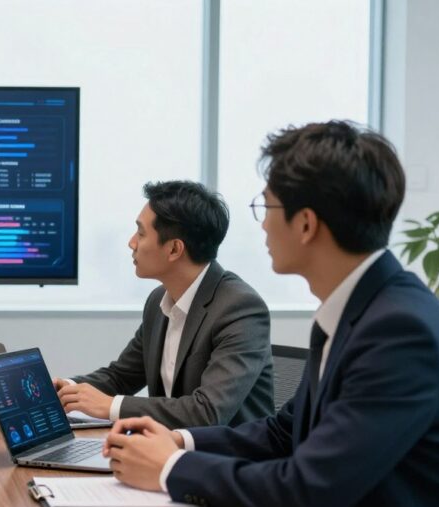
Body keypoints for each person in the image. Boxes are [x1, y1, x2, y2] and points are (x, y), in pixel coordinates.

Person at [104, 121, 439, 507]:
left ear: (306, 224)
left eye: (266, 206)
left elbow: (308, 490)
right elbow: (283, 434)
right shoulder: (356, 310)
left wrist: (170, 469)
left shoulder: (400, 329)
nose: (262, 223)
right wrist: (178, 439)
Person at [54, 180, 274, 428]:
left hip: (228, 460)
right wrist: (65, 389)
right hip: (170, 451)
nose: (131, 243)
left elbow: (207, 412)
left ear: (174, 249)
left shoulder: (240, 308)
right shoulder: (159, 301)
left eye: (141, 233)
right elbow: (121, 376)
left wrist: (111, 406)